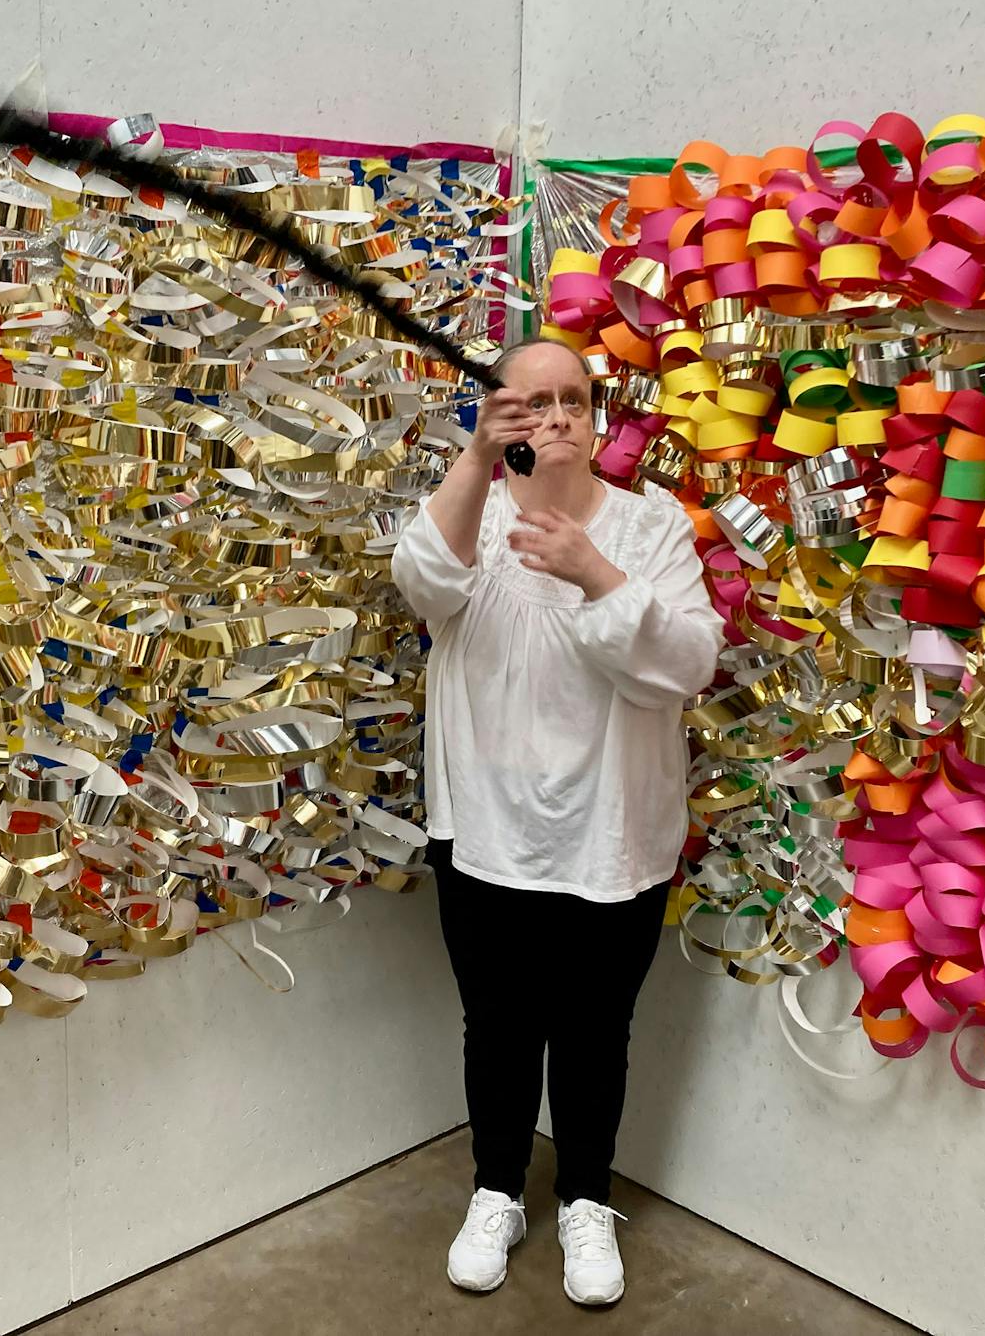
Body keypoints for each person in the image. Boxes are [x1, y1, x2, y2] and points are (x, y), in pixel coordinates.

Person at [391, 338, 724, 1306]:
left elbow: (687, 664)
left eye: (572, 398)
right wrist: (472, 459)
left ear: (595, 413)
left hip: (611, 839)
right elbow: (421, 582)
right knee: (494, 1026)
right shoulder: (474, 513)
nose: (557, 417)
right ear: (498, 417)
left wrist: (594, 571)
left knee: (594, 1030)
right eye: (531, 402)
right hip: (485, 833)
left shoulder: (649, 526)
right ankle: (496, 1190)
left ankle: (585, 1200)